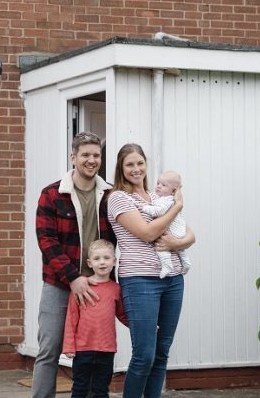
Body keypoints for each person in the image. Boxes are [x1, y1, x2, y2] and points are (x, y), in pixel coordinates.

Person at [32, 132, 116, 398]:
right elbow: (46, 241)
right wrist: (73, 277)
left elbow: (126, 233)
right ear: (73, 157)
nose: (91, 160)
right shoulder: (52, 194)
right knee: (49, 350)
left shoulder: (110, 195)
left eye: (96, 155)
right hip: (59, 284)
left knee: (97, 350)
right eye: (85, 155)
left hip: (98, 287)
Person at [107, 143, 195, 398]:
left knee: (161, 352)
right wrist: (177, 207)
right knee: (144, 354)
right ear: (121, 169)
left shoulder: (157, 197)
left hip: (173, 279)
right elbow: (147, 233)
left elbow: (189, 234)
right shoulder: (118, 198)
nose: (136, 169)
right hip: (140, 280)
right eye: (130, 164)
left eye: (140, 163)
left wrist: (176, 242)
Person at [62, 239, 127, 398]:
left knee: (101, 390)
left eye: (106, 258)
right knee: (80, 388)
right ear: (90, 263)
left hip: (107, 349)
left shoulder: (116, 289)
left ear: (114, 261)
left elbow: (122, 314)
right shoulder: (81, 288)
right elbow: (72, 318)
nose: (102, 262)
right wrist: (69, 346)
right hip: (83, 349)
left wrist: (144, 328)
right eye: (97, 259)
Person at [140, 170, 191, 278]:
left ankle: (167, 265)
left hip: (172, 232)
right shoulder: (169, 200)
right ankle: (186, 262)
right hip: (179, 231)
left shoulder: (166, 200)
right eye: (158, 183)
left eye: (164, 185)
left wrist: (145, 208)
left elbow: (159, 211)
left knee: (161, 247)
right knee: (180, 249)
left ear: (173, 190)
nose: (159, 186)